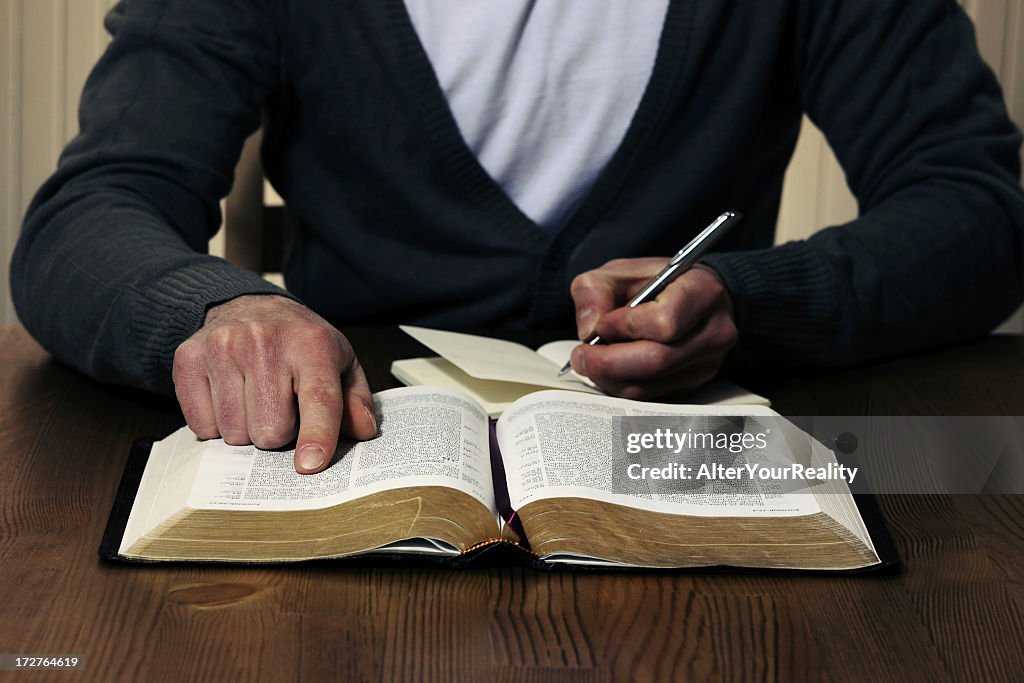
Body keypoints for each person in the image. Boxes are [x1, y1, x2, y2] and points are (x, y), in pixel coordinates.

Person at [11, 0, 1024, 475]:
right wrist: (220, 305)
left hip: (676, 481)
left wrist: (754, 297)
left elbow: (980, 211)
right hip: (347, 471)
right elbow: (87, 216)